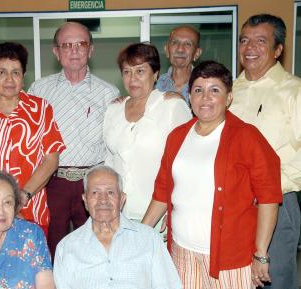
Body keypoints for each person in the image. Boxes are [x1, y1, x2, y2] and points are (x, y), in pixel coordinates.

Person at [142, 61, 282, 289]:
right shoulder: (177, 136)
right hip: (181, 253)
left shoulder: (247, 137)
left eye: (214, 90)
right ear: (190, 97)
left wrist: (261, 253)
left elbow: (269, 198)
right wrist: (140, 234)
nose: (205, 98)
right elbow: (162, 190)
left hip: (230, 260)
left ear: (228, 98)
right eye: (198, 90)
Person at [229, 14, 301, 289]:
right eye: (244, 40)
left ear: (278, 50)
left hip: (277, 200)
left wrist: (272, 186)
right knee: (237, 275)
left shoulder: (296, 92)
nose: (249, 47)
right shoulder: (229, 90)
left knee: (274, 278)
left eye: (260, 41)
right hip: (231, 199)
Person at [28, 21, 119, 258]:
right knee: (50, 249)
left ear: (91, 49)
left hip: (91, 185)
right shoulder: (39, 90)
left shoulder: (108, 93)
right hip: (51, 184)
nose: (74, 50)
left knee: (94, 248)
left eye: (81, 44)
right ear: (56, 52)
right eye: (66, 45)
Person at [0, 42, 65, 237]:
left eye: (16, 72)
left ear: (23, 77)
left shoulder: (41, 110)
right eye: (2, 72)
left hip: (32, 213)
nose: (9, 79)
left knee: (33, 268)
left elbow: (51, 160)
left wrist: (21, 198)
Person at [104, 42, 191, 225]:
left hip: (158, 214)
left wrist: (176, 205)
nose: (132, 78)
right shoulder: (114, 109)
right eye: (127, 72)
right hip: (118, 214)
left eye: (140, 71)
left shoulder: (172, 106)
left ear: (156, 74)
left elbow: (186, 164)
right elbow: (110, 161)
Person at [54, 165, 182, 289]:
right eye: (95, 192)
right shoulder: (67, 247)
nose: (102, 200)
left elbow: (168, 285)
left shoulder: (149, 239)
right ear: (85, 200)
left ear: (122, 199)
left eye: (110, 192)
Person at [156, 25, 202, 105]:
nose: (180, 49)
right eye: (175, 43)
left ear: (197, 53)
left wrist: (183, 104)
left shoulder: (204, 86)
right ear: (167, 50)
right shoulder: (155, 85)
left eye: (188, 44)